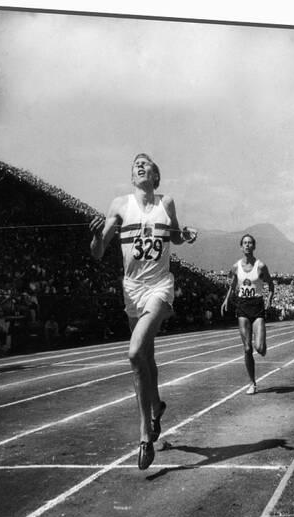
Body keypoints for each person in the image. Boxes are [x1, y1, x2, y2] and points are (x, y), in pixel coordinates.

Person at [89, 153, 197, 470]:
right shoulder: (120, 205)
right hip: (132, 289)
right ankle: (156, 408)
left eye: (144, 163)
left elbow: (175, 235)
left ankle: (145, 433)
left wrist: (185, 236)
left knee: (135, 352)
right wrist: (97, 236)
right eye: (135, 163)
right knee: (147, 357)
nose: (138, 165)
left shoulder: (168, 202)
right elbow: (97, 253)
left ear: (155, 174)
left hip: (160, 286)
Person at [221, 234, 274, 395]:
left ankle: (262, 345)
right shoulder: (236, 266)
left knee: (259, 348)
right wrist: (226, 300)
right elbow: (232, 284)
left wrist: (269, 300)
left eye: (250, 243)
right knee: (247, 348)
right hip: (242, 306)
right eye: (245, 243)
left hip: (257, 306)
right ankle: (252, 383)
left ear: (254, 246)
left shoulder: (261, 266)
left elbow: (271, 285)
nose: (247, 245)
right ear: (241, 246)